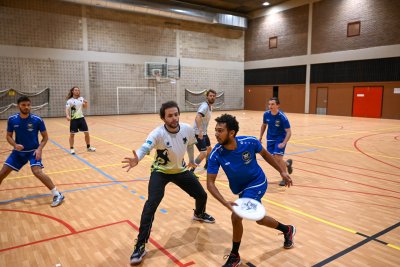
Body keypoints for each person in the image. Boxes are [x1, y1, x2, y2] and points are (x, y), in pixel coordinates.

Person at [122, 101, 215, 265]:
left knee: (201, 195)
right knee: (151, 204)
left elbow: (190, 143)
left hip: (180, 170)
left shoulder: (186, 128)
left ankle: (199, 213)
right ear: (163, 118)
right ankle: (140, 244)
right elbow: (145, 147)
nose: (174, 118)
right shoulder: (157, 133)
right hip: (161, 172)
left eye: (176, 114)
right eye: (170, 116)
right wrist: (137, 157)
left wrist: (192, 160)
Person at [207, 114, 295, 267]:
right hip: (241, 188)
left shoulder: (249, 142)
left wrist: (282, 171)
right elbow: (210, 183)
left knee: (236, 216)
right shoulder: (216, 154)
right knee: (259, 219)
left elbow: (266, 155)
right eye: (215, 130)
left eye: (220, 131)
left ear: (232, 133)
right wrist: (224, 202)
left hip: (257, 182)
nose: (216, 134)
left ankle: (235, 256)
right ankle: (287, 229)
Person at [0, 96, 64, 207]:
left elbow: (45, 137)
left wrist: (39, 149)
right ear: (18, 106)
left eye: (28, 105)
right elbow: (8, 136)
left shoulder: (37, 120)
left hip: (33, 151)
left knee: (37, 172)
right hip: (18, 153)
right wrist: (15, 145)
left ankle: (57, 194)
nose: (26, 107)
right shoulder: (12, 119)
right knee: (2, 173)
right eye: (23, 105)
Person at [259, 97, 293, 186]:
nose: (270, 106)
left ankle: (284, 178)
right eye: (269, 104)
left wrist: (284, 142)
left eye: (272, 104)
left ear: (278, 105)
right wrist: (260, 137)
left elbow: (289, 132)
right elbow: (264, 125)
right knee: (273, 159)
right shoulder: (266, 114)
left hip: (280, 138)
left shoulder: (282, 117)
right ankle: (287, 163)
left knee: (278, 157)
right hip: (270, 138)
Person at [191, 89, 217, 172]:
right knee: (203, 153)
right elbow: (197, 117)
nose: (212, 97)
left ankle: (207, 165)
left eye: (213, 96)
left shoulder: (210, 106)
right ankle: (191, 170)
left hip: (203, 133)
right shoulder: (205, 106)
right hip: (197, 133)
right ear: (207, 97)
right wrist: (200, 131)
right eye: (210, 96)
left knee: (209, 148)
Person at [65, 86, 96, 154]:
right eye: (75, 90)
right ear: (72, 91)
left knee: (87, 133)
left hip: (81, 118)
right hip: (74, 119)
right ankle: (72, 148)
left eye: (78, 90)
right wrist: (67, 115)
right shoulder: (70, 101)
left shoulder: (81, 98)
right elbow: (67, 109)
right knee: (72, 134)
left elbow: (85, 107)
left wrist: (86, 103)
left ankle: (88, 147)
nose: (77, 91)